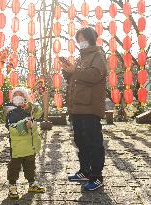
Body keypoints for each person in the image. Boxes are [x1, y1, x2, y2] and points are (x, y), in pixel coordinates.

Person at [61, 27, 108, 191]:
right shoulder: (81, 59)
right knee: (81, 141)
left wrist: (75, 71)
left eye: (82, 39)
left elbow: (95, 75)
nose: (80, 42)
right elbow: (76, 78)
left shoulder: (98, 55)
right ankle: (84, 171)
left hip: (90, 107)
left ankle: (97, 176)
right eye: (78, 39)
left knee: (93, 142)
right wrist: (68, 72)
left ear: (90, 39)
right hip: (78, 108)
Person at [3, 87, 45, 199]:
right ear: (12, 98)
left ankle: (32, 183)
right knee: (14, 166)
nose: (17, 96)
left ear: (25, 97)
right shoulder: (9, 109)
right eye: (15, 94)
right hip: (17, 146)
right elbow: (11, 127)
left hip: (31, 144)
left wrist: (31, 106)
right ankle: (12, 185)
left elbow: (39, 111)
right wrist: (23, 125)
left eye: (20, 94)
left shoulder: (29, 108)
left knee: (30, 165)